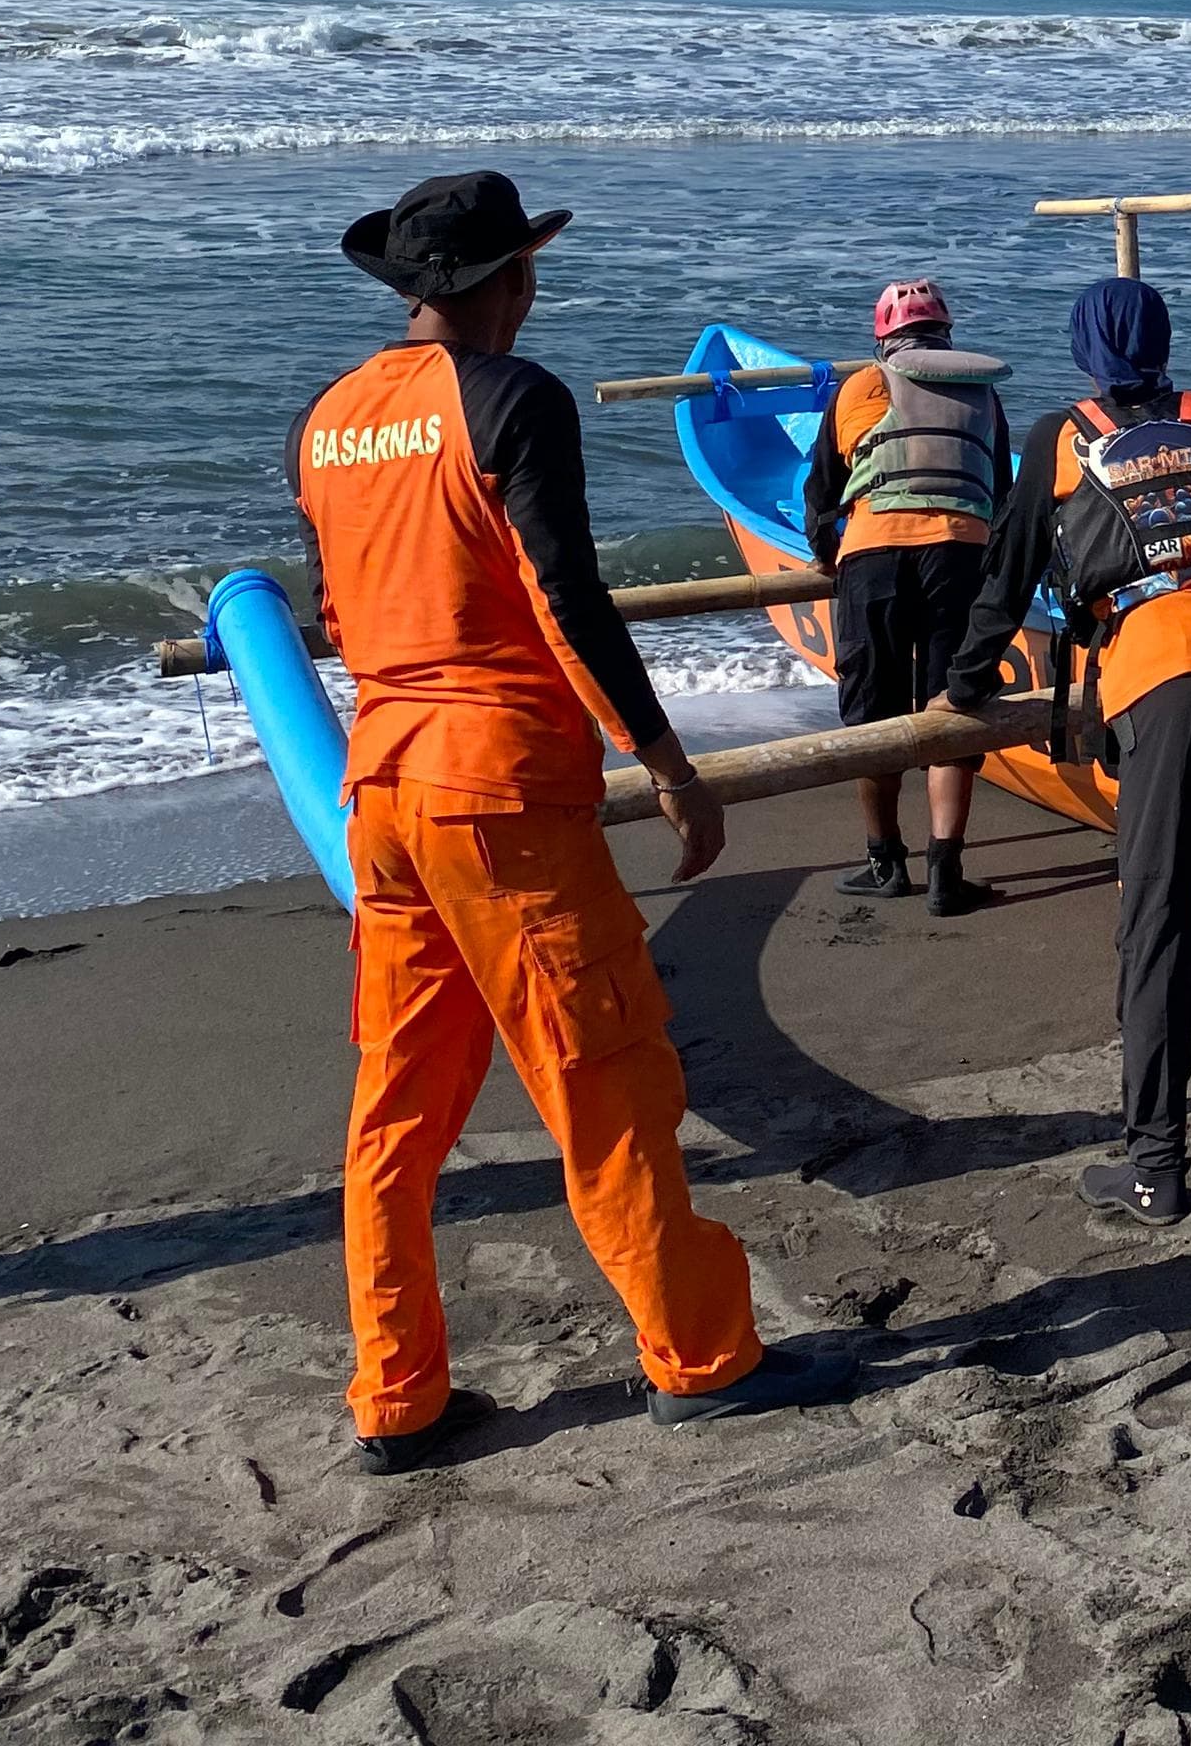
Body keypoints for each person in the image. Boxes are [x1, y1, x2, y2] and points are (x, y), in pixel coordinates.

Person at [293, 170, 849, 1469]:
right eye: (529, 268)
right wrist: (664, 762)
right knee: (604, 1075)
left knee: (397, 1108)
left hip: (378, 783)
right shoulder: (512, 399)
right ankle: (702, 1358)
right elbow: (566, 599)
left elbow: (334, 612)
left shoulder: (325, 421)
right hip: (498, 794)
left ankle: (397, 1395)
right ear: (508, 283)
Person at [947, 275, 1191, 1230]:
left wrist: (968, 682)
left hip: (1165, 670)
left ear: (1083, 352)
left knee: (1157, 915)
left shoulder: (1060, 437)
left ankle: (1157, 1165)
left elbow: (1011, 570)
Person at [800, 279, 1012, 912]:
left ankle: (884, 862)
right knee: (953, 702)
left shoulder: (859, 387)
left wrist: (824, 554)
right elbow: (999, 487)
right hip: (961, 550)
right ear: (946, 335)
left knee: (873, 710)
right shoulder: (984, 393)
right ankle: (946, 873)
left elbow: (822, 493)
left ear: (883, 339)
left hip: (874, 554)